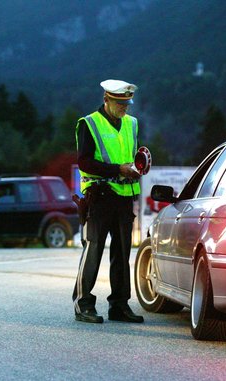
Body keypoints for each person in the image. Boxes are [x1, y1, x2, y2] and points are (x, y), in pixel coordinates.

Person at [72, 79, 144, 324]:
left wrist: (135, 168)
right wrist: (118, 170)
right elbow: (84, 162)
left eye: (127, 103)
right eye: (119, 103)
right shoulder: (89, 123)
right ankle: (83, 304)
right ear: (106, 99)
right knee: (93, 250)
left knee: (122, 253)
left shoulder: (132, 124)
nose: (125, 107)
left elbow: (130, 157)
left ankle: (119, 305)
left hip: (125, 197)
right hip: (99, 197)